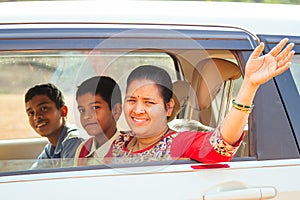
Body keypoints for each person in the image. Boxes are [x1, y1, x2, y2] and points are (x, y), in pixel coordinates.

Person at [105, 38, 295, 164]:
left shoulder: (178, 142)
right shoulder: (121, 142)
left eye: (149, 102)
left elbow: (221, 145)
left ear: (169, 107)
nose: (137, 110)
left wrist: (250, 86)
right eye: (132, 100)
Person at [25, 83, 84, 169]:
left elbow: (69, 180)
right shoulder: (51, 148)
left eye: (44, 108)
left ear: (63, 111)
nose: (36, 117)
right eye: (31, 113)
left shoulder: (74, 141)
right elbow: (33, 174)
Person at [74, 76, 122, 166]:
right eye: (82, 110)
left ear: (116, 111)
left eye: (95, 107)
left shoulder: (127, 150)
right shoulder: (82, 149)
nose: (86, 116)